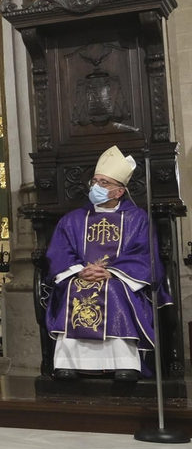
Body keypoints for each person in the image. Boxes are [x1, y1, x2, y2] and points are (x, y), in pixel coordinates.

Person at [45, 147, 162, 382]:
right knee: (73, 288)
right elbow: (59, 251)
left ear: (119, 191)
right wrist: (81, 270)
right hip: (80, 275)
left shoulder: (137, 218)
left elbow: (144, 254)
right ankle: (67, 363)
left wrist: (111, 272)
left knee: (114, 290)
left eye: (104, 183)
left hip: (119, 279)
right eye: (95, 181)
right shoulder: (72, 219)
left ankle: (125, 364)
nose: (96, 187)